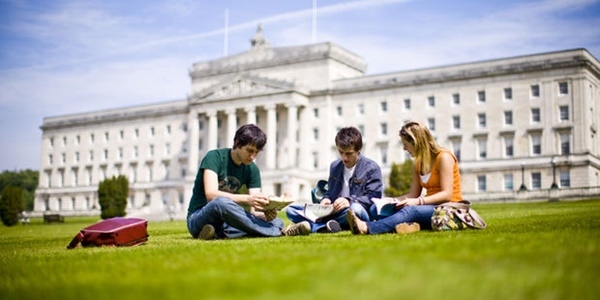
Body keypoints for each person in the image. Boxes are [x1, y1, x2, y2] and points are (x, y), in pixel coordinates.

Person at [187, 124, 311, 239]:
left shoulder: (253, 169)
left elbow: (254, 211)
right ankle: (280, 231)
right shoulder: (214, 157)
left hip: (227, 221)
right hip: (198, 217)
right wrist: (247, 199)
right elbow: (211, 195)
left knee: (275, 221)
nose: (252, 157)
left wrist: (264, 215)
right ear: (237, 143)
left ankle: (215, 233)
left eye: (256, 152)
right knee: (220, 202)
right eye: (250, 151)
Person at [347, 120, 463, 235]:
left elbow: (446, 195)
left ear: (416, 142)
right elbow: (413, 194)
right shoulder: (418, 163)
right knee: (375, 209)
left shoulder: (444, 158)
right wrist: (393, 200)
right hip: (428, 208)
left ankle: (368, 227)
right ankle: (409, 226)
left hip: (448, 208)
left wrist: (417, 202)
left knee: (410, 211)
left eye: (405, 145)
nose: (404, 149)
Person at [286, 126, 383, 233]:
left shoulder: (372, 168)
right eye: (341, 152)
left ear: (359, 150)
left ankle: (317, 227)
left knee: (355, 209)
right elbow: (330, 192)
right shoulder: (334, 166)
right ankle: (329, 226)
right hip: (333, 211)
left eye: (349, 153)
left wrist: (349, 200)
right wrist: (325, 199)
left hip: (356, 211)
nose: (344, 158)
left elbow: (374, 198)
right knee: (292, 210)